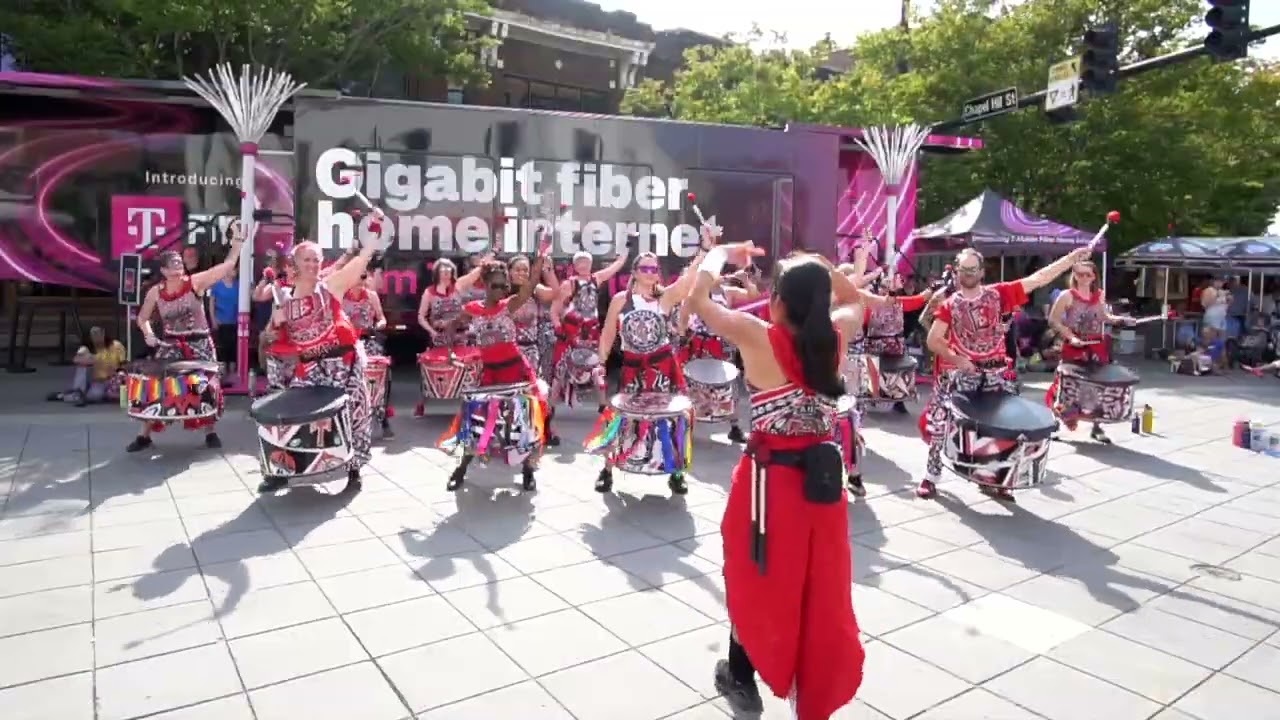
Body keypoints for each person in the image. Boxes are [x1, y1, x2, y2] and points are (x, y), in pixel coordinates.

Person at [688, 243, 864, 720]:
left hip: (767, 488)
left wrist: (719, 252)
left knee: (755, 576)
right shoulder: (839, 335)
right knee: (816, 587)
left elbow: (697, 302)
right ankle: (806, 685)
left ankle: (742, 676)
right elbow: (855, 300)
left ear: (778, 301)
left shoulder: (755, 334)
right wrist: (821, 265)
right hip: (823, 491)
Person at [918, 246, 1091, 501]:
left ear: (981, 271)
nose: (967, 274)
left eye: (972, 269)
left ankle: (991, 478)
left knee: (999, 427)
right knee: (943, 420)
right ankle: (931, 475)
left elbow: (1039, 278)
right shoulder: (949, 304)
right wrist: (956, 358)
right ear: (956, 271)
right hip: (963, 374)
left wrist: (1070, 259)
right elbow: (934, 340)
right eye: (963, 269)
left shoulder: (999, 294)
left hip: (996, 372)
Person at [259, 226, 381, 493]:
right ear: (295, 264)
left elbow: (361, 261)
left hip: (343, 364)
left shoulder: (329, 288)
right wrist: (271, 331)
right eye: (307, 259)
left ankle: (353, 469)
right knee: (293, 416)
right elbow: (272, 333)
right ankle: (281, 471)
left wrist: (372, 237)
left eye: (317, 259)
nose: (313, 264)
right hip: (310, 367)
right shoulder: (284, 300)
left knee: (353, 415)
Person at [593, 242, 709, 494]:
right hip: (633, 369)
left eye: (654, 268)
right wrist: (601, 363)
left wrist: (703, 250)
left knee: (674, 419)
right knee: (621, 418)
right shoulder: (620, 301)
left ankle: (677, 472)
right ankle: (607, 469)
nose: (649, 272)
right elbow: (608, 335)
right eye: (644, 268)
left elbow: (688, 281)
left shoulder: (664, 297)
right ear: (634, 272)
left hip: (663, 369)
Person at [443, 243, 552, 492]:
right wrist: (451, 352)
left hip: (516, 371)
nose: (502, 289)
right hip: (490, 374)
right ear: (484, 285)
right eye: (496, 285)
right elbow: (451, 326)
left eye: (505, 285)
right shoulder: (473, 309)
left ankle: (528, 470)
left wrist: (540, 258)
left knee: (526, 421)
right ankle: (461, 468)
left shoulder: (509, 305)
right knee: (474, 418)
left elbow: (531, 285)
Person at [127, 224, 245, 452]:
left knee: (203, 387)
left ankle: (210, 432)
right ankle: (144, 435)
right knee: (156, 385)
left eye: (180, 264)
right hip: (171, 343)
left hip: (199, 343)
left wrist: (237, 242)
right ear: (163, 271)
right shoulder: (156, 292)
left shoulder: (195, 283)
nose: (178, 267)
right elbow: (142, 319)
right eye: (173, 265)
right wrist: (149, 334)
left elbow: (227, 266)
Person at [1045, 260, 1137, 444]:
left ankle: (1097, 426)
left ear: (1094, 276)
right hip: (1074, 344)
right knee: (1066, 383)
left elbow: (1103, 317)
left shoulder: (1099, 295)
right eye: (1080, 274)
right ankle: (1054, 423)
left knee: (1099, 385)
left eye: (1088, 274)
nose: (1084, 278)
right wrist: (1071, 337)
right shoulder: (1067, 295)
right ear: (1074, 275)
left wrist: (1121, 320)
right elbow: (1054, 321)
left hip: (1096, 345)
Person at [676, 264, 762, 443]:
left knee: (726, 387)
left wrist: (745, 280)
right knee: (694, 388)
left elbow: (753, 295)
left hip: (719, 344)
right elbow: (683, 315)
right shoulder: (695, 293)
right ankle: (685, 429)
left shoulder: (726, 292)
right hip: (697, 343)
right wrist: (683, 335)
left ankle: (734, 427)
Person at [547, 249, 631, 432]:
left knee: (597, 369)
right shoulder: (568, 285)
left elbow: (616, 266)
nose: (584, 265)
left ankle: (602, 406)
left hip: (591, 333)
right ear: (575, 265)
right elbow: (554, 311)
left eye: (587, 261)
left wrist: (625, 249)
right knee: (560, 372)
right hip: (570, 333)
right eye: (580, 262)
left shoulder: (596, 279)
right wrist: (559, 328)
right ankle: (550, 407)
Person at [341, 263, 393, 439]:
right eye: (358, 277)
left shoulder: (371, 296)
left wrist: (378, 326)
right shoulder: (342, 297)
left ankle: (382, 417)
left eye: (364, 277)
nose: (361, 282)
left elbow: (381, 318)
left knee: (380, 375)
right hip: (348, 342)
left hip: (367, 339)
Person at [416, 258, 485, 347]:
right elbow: (421, 317)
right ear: (437, 273)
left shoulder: (458, 285)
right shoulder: (429, 292)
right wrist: (432, 332)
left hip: (462, 336)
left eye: (448, 271)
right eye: (443, 271)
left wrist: (483, 265)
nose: (446, 274)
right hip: (440, 337)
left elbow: (472, 276)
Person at [50, 326, 126, 406]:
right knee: (94, 394)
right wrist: (93, 359)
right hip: (97, 381)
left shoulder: (116, 345)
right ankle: (77, 392)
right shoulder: (86, 347)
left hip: (114, 380)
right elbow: (76, 359)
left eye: (98, 333)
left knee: (100, 395)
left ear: (103, 333)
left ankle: (69, 395)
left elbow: (124, 364)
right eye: (93, 334)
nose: (96, 336)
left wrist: (119, 374)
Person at [208, 259, 239, 379]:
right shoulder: (217, 285)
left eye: (235, 269)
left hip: (235, 321)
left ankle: (233, 370)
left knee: (233, 346)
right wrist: (213, 319)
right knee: (222, 346)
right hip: (221, 320)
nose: (234, 271)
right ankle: (222, 371)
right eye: (232, 269)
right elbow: (211, 303)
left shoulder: (238, 284)